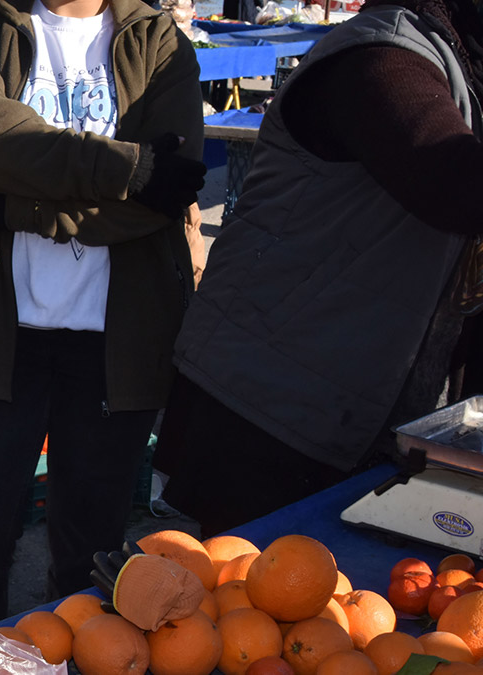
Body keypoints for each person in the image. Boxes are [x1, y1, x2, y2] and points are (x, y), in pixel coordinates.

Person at [0, 0, 207, 627]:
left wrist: (24, 209)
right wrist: (129, 167)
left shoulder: (159, 43)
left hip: (115, 341)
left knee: (91, 554)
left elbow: (169, 192)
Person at [155, 0, 483, 537]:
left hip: (359, 407)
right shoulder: (380, 56)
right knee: (249, 602)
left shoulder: (465, 72)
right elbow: (454, 183)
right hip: (269, 404)